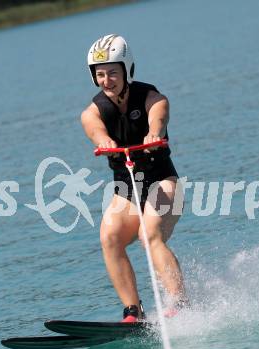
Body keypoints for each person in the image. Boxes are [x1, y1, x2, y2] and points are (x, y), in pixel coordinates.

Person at [81, 34, 189, 322]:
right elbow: (93, 126)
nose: (106, 80)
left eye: (112, 73)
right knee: (110, 237)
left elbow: (159, 116)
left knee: (148, 234)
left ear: (127, 70)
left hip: (164, 184)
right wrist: (104, 140)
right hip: (126, 191)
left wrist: (154, 133)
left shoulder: (153, 98)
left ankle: (181, 304)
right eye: (100, 74)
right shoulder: (94, 111)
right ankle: (133, 311)